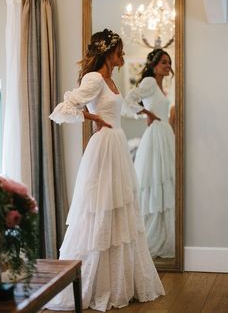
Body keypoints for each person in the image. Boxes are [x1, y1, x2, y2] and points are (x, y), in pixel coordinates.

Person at [46, 29, 165, 312]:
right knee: (98, 208)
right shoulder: (95, 78)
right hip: (103, 149)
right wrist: (90, 116)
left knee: (120, 210)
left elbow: (117, 111)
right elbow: (64, 108)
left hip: (118, 146)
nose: (122, 57)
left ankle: (120, 282)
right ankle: (92, 283)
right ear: (108, 52)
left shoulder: (111, 80)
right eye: (120, 52)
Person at [122, 49, 175, 259]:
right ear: (154, 65)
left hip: (165, 133)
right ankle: (151, 236)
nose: (167, 65)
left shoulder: (163, 86)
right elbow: (128, 101)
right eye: (163, 62)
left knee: (167, 181)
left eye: (169, 62)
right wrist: (146, 112)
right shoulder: (150, 82)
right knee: (155, 180)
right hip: (156, 136)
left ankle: (166, 234)